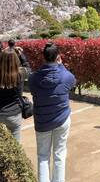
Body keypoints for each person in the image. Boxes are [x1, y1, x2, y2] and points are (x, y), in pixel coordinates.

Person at [29, 42, 76, 182]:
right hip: (62, 119)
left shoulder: (33, 78)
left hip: (42, 122)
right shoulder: (66, 76)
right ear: (58, 57)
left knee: (43, 157)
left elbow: (34, 89)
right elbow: (72, 81)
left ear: (43, 58)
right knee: (59, 155)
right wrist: (60, 65)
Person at [0, 49, 29, 142]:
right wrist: (21, 55)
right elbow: (27, 66)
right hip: (14, 113)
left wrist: (0, 55)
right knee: (15, 145)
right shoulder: (21, 73)